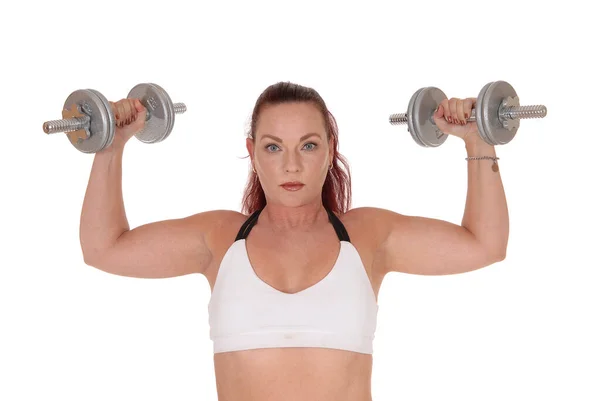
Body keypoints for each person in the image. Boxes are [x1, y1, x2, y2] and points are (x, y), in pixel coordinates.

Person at [81, 81, 509, 401]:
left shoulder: (366, 236)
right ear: (252, 152)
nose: (290, 164)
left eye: (307, 145)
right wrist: (111, 145)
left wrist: (477, 139)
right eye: (272, 147)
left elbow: (484, 245)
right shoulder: (219, 238)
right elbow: (104, 249)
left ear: (329, 149)